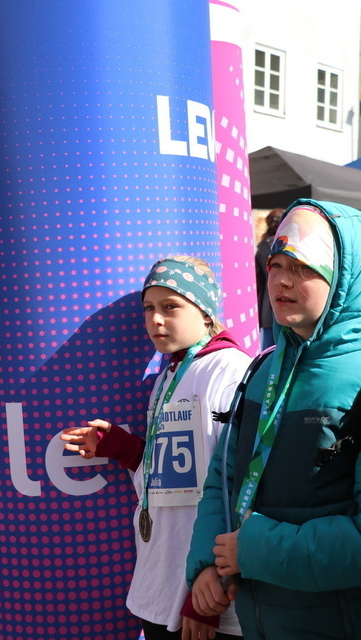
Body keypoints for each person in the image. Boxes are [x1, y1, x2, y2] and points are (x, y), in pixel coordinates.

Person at [186, 199, 361, 639]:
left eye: (302, 266)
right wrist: (210, 562)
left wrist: (254, 549)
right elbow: (224, 477)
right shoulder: (262, 369)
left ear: (344, 276)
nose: (281, 280)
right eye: (275, 264)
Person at [61, 255, 251, 640]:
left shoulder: (230, 370)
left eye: (170, 306)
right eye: (148, 308)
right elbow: (175, 476)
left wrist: (210, 587)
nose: (156, 320)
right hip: (160, 587)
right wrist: (125, 449)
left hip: (206, 598)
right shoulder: (168, 375)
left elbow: (239, 487)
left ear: (205, 311)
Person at [255, 208, 283, 350]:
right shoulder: (291, 247)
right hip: (290, 306)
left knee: (269, 352)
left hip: (268, 308)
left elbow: (257, 283)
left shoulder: (262, 249)